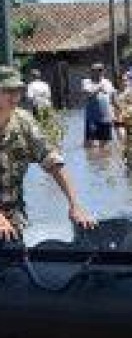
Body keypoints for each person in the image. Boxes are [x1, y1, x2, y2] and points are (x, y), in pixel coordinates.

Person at [0, 65, 95, 243]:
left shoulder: (24, 121)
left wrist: (74, 205)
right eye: (8, 91)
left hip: (11, 219)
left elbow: (53, 162)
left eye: (18, 90)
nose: (15, 96)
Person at [82, 62, 115, 148]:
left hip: (106, 118)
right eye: (95, 70)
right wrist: (99, 88)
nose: (98, 72)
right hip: (92, 118)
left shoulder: (108, 82)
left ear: (103, 71)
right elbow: (87, 95)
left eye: (100, 70)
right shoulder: (87, 82)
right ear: (91, 71)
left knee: (105, 145)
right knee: (91, 145)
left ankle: (103, 161)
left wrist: (118, 112)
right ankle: (93, 160)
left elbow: (113, 98)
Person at [111, 72, 132, 143]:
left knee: (131, 142)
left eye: (126, 80)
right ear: (118, 81)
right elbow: (114, 105)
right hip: (119, 120)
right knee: (122, 140)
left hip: (131, 120)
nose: (124, 82)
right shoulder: (114, 93)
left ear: (128, 81)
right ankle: (121, 153)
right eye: (123, 80)